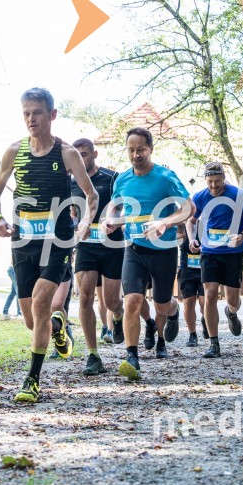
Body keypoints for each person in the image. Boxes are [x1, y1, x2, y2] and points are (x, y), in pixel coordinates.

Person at [0, 87, 97, 403]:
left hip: (58, 239)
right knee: (31, 318)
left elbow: (91, 195)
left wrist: (84, 224)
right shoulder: (13, 151)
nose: (30, 119)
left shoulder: (66, 153)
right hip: (23, 240)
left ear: (51, 115)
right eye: (25, 113)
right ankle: (57, 328)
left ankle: (32, 380)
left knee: (39, 302)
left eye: (36, 112)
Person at [103, 127, 194, 379]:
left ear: (151, 149)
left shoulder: (165, 177)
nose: (135, 155)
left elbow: (189, 208)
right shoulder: (122, 179)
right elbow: (116, 207)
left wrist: (165, 222)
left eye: (141, 149)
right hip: (133, 249)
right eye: (131, 150)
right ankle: (132, 357)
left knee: (161, 305)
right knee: (132, 300)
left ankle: (173, 312)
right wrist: (111, 221)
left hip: (163, 250)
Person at [70, 138, 125, 375]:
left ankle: (119, 316)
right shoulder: (72, 183)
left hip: (112, 245)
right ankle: (93, 355)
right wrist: (76, 227)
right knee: (84, 297)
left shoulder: (112, 178)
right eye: (77, 155)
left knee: (111, 302)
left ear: (94, 154)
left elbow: (124, 204)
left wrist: (113, 220)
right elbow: (72, 212)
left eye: (84, 154)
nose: (80, 159)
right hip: (86, 247)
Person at [187, 161, 243, 358]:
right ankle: (214, 343)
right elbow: (190, 220)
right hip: (210, 252)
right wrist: (192, 239)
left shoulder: (238, 195)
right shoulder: (200, 197)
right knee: (210, 293)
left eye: (217, 181)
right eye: (209, 182)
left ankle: (231, 312)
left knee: (233, 298)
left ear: (224, 178)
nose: (213, 186)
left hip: (232, 252)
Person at [176, 224, 205, 348]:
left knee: (205, 303)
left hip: (205, 267)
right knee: (189, 302)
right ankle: (192, 334)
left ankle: (206, 320)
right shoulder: (182, 226)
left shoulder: (206, 221)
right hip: (187, 269)